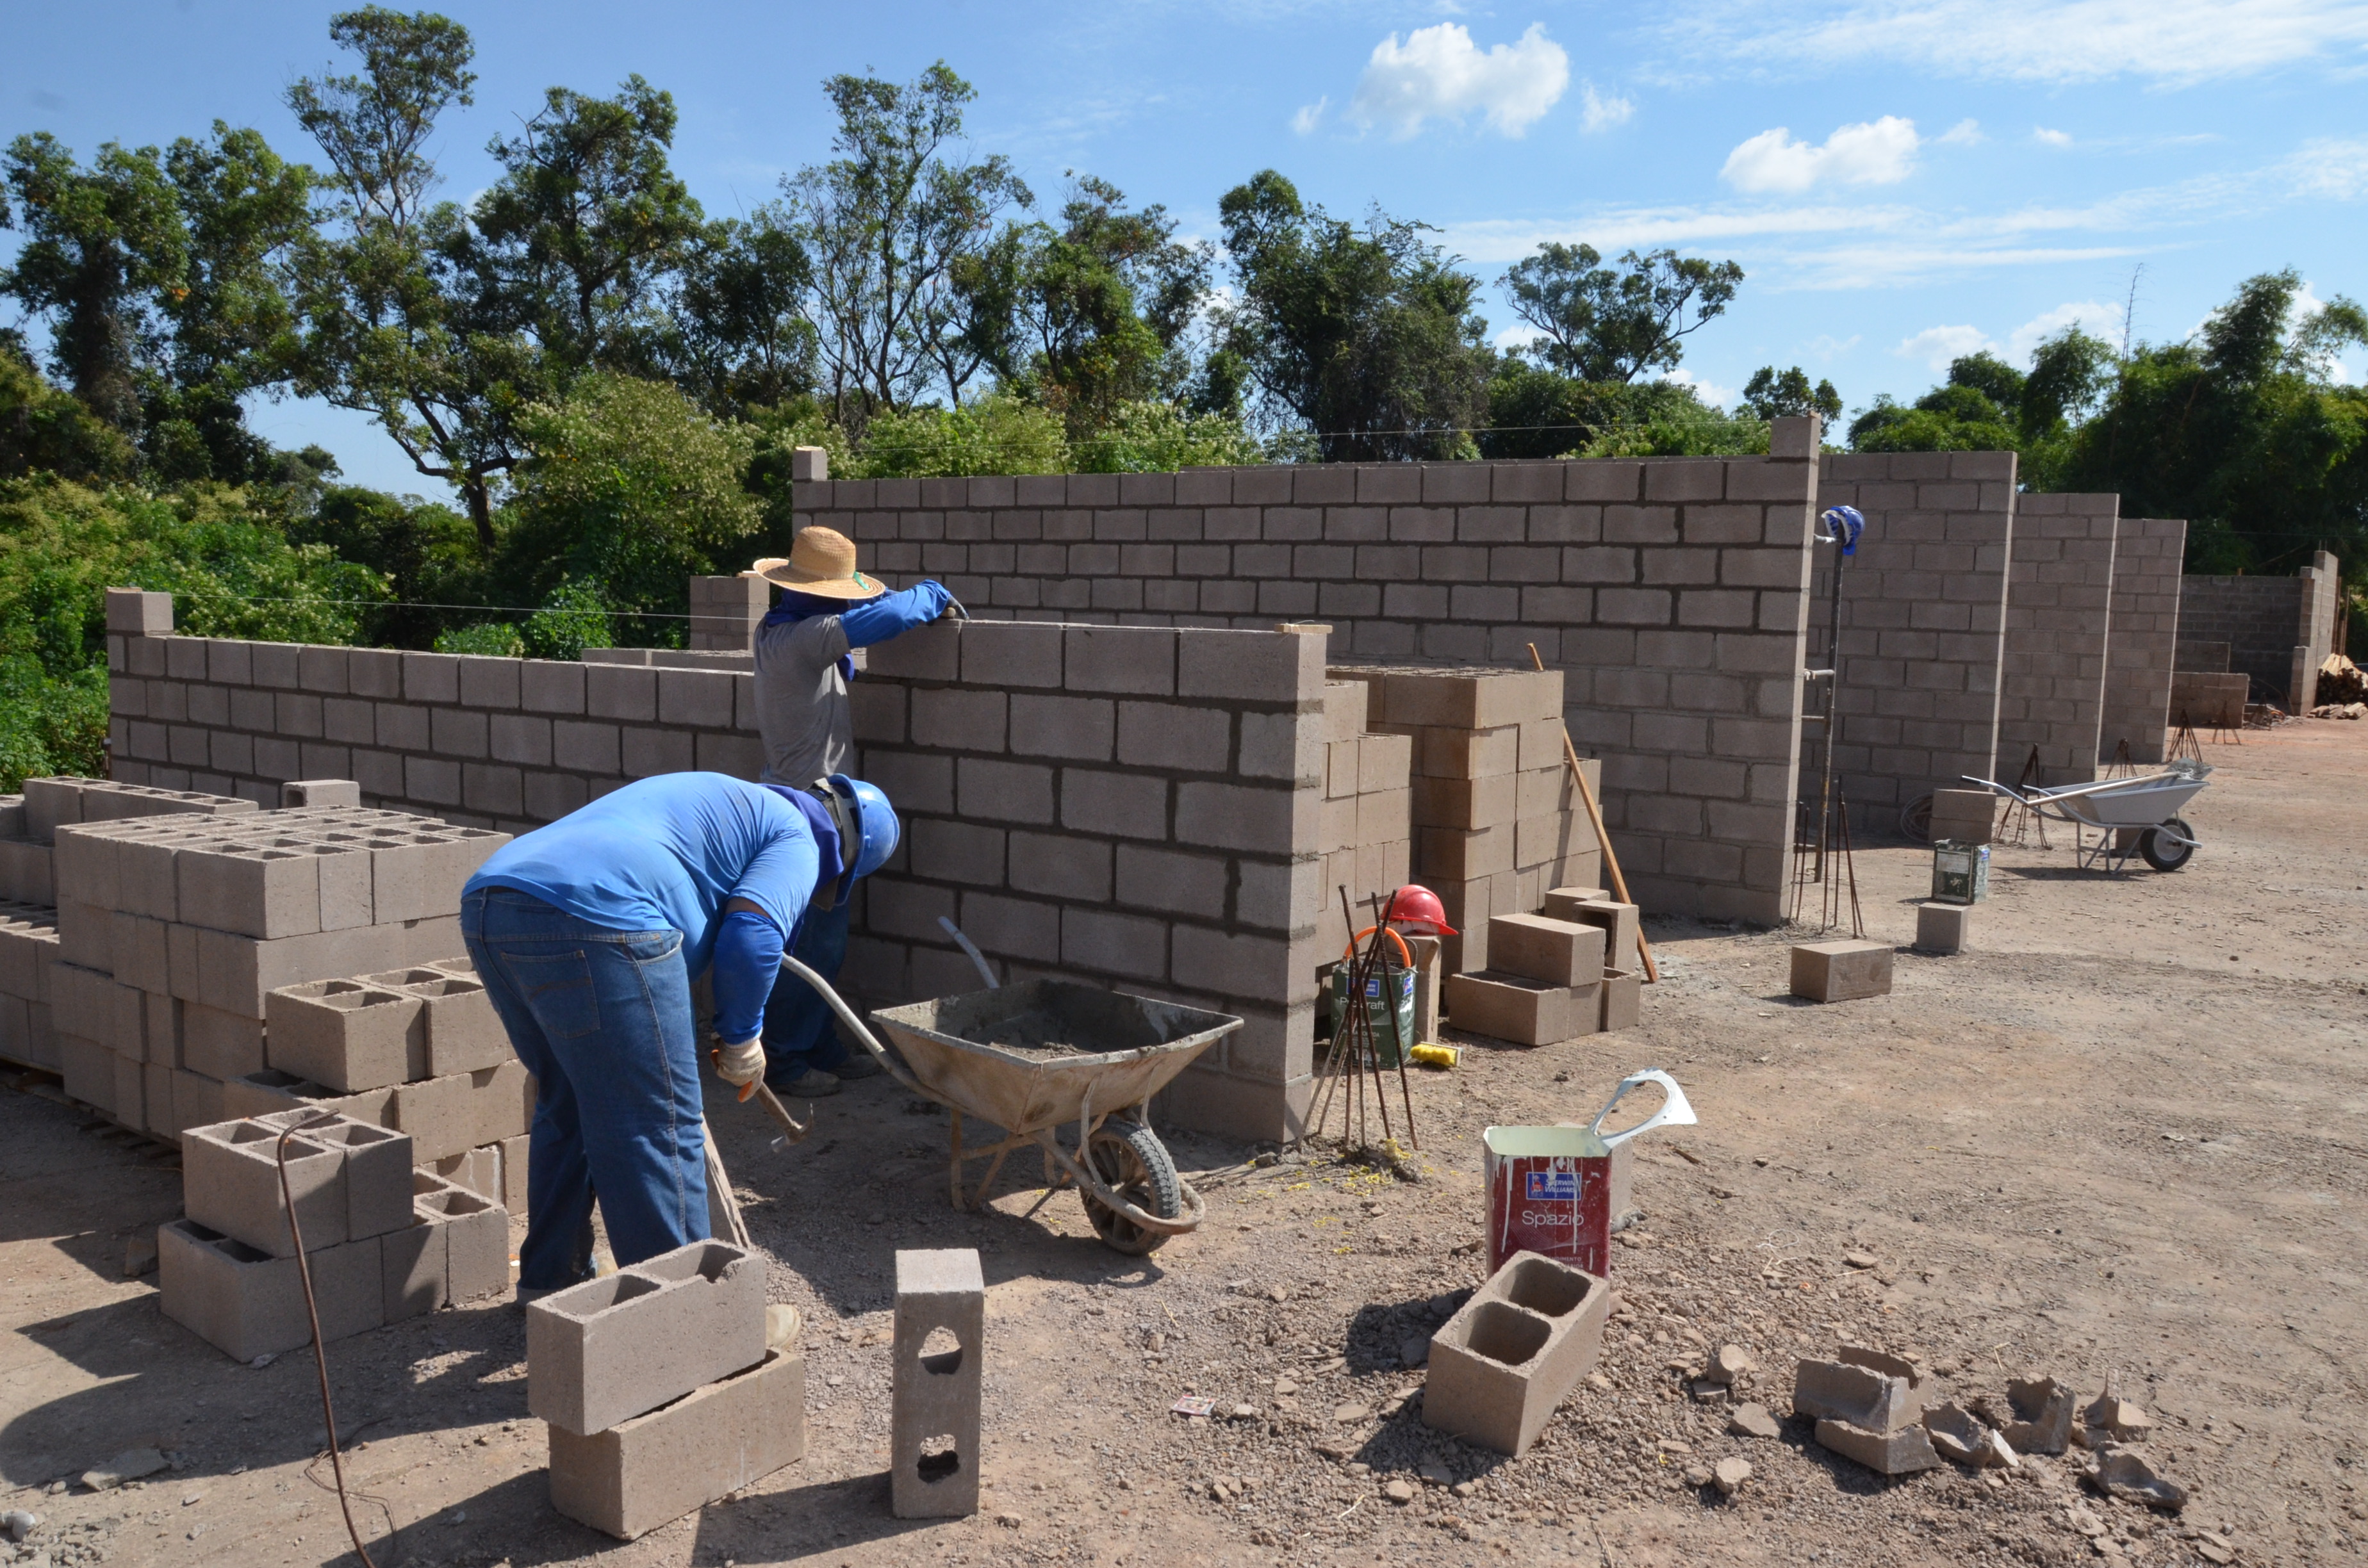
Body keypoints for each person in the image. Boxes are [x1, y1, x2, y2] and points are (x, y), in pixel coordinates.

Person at [460, 770, 899, 1291]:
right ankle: (683, 1318)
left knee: (569, 1102)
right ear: (847, 856)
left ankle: (553, 1286)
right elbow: (753, 934)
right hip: (603, 917)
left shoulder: (735, 801)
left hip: (493, 901)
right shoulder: (801, 837)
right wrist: (742, 1037)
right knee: (660, 1124)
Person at [744, 526, 953, 1098]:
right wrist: (932, 593)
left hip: (806, 802)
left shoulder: (779, 628)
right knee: (814, 941)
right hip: (810, 812)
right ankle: (787, 1061)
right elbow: (891, 617)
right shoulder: (806, 637)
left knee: (819, 938)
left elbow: (857, 623)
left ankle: (817, 1045)